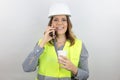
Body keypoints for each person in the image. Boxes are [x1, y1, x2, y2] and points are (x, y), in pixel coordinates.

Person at [22, 3, 89, 80]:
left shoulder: (79, 45)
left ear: (68, 24)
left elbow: (85, 76)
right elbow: (27, 68)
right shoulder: (42, 43)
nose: (59, 23)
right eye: (56, 19)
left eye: (63, 20)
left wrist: (73, 68)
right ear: (51, 24)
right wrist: (43, 42)